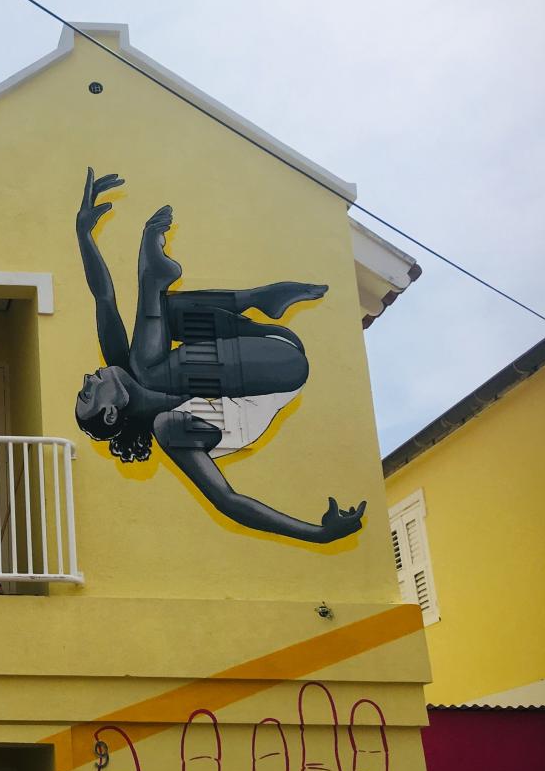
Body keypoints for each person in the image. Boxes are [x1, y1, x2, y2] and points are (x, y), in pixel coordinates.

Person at [73, 168, 366, 544]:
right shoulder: (169, 429)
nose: (87, 379)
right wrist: (318, 534)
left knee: (159, 330)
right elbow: (228, 501)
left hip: (259, 343)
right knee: (147, 363)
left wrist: (83, 234)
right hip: (281, 370)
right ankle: (156, 277)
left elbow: (104, 298)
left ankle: (257, 298)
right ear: (112, 412)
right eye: (87, 394)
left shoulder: (129, 368)